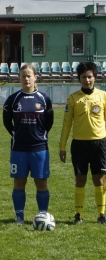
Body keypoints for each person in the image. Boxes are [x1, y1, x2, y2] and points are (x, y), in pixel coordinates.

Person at [3, 64, 54, 225]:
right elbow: (6, 122)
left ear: (35, 77)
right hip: (18, 149)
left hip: (39, 148)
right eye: (23, 75)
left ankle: (42, 215)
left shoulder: (44, 99)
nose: (26, 78)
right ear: (19, 78)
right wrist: (16, 134)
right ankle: (19, 217)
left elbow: (49, 122)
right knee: (19, 182)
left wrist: (39, 135)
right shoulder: (13, 99)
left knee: (41, 182)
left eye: (29, 75)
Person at [59, 62, 106, 224]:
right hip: (79, 144)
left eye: (90, 76)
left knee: (99, 180)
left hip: (99, 144)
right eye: (84, 77)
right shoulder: (73, 98)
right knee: (80, 179)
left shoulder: (103, 96)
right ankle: (78, 215)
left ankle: (101, 214)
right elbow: (66, 124)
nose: (87, 80)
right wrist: (62, 146)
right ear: (79, 78)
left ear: (95, 77)